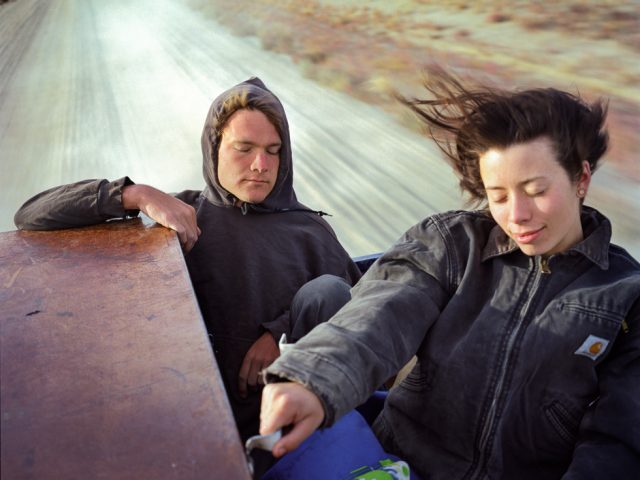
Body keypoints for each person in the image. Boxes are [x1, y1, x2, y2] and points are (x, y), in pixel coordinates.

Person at [258, 68, 640, 479]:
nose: (517, 215)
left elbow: (618, 442)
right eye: (498, 196)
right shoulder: (452, 244)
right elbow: (378, 315)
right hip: (394, 463)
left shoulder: (626, 297)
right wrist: (314, 379)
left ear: (580, 177)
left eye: (535, 191)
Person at [14, 77, 361, 447]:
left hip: (291, 427)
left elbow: (363, 315)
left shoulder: (309, 231)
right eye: (244, 148)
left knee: (328, 291)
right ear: (214, 149)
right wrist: (136, 194)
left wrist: (282, 331)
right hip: (187, 424)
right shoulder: (180, 215)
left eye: (273, 150)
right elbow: (31, 214)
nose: (260, 165)